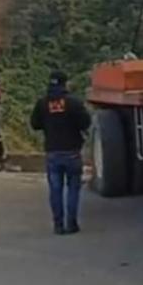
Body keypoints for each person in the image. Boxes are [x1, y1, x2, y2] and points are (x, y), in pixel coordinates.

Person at [30, 70, 92, 235]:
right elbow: (86, 122)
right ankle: (71, 223)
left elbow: (34, 124)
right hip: (72, 152)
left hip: (53, 152)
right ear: (65, 84)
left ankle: (58, 224)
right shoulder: (73, 103)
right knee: (73, 188)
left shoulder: (42, 103)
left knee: (55, 189)